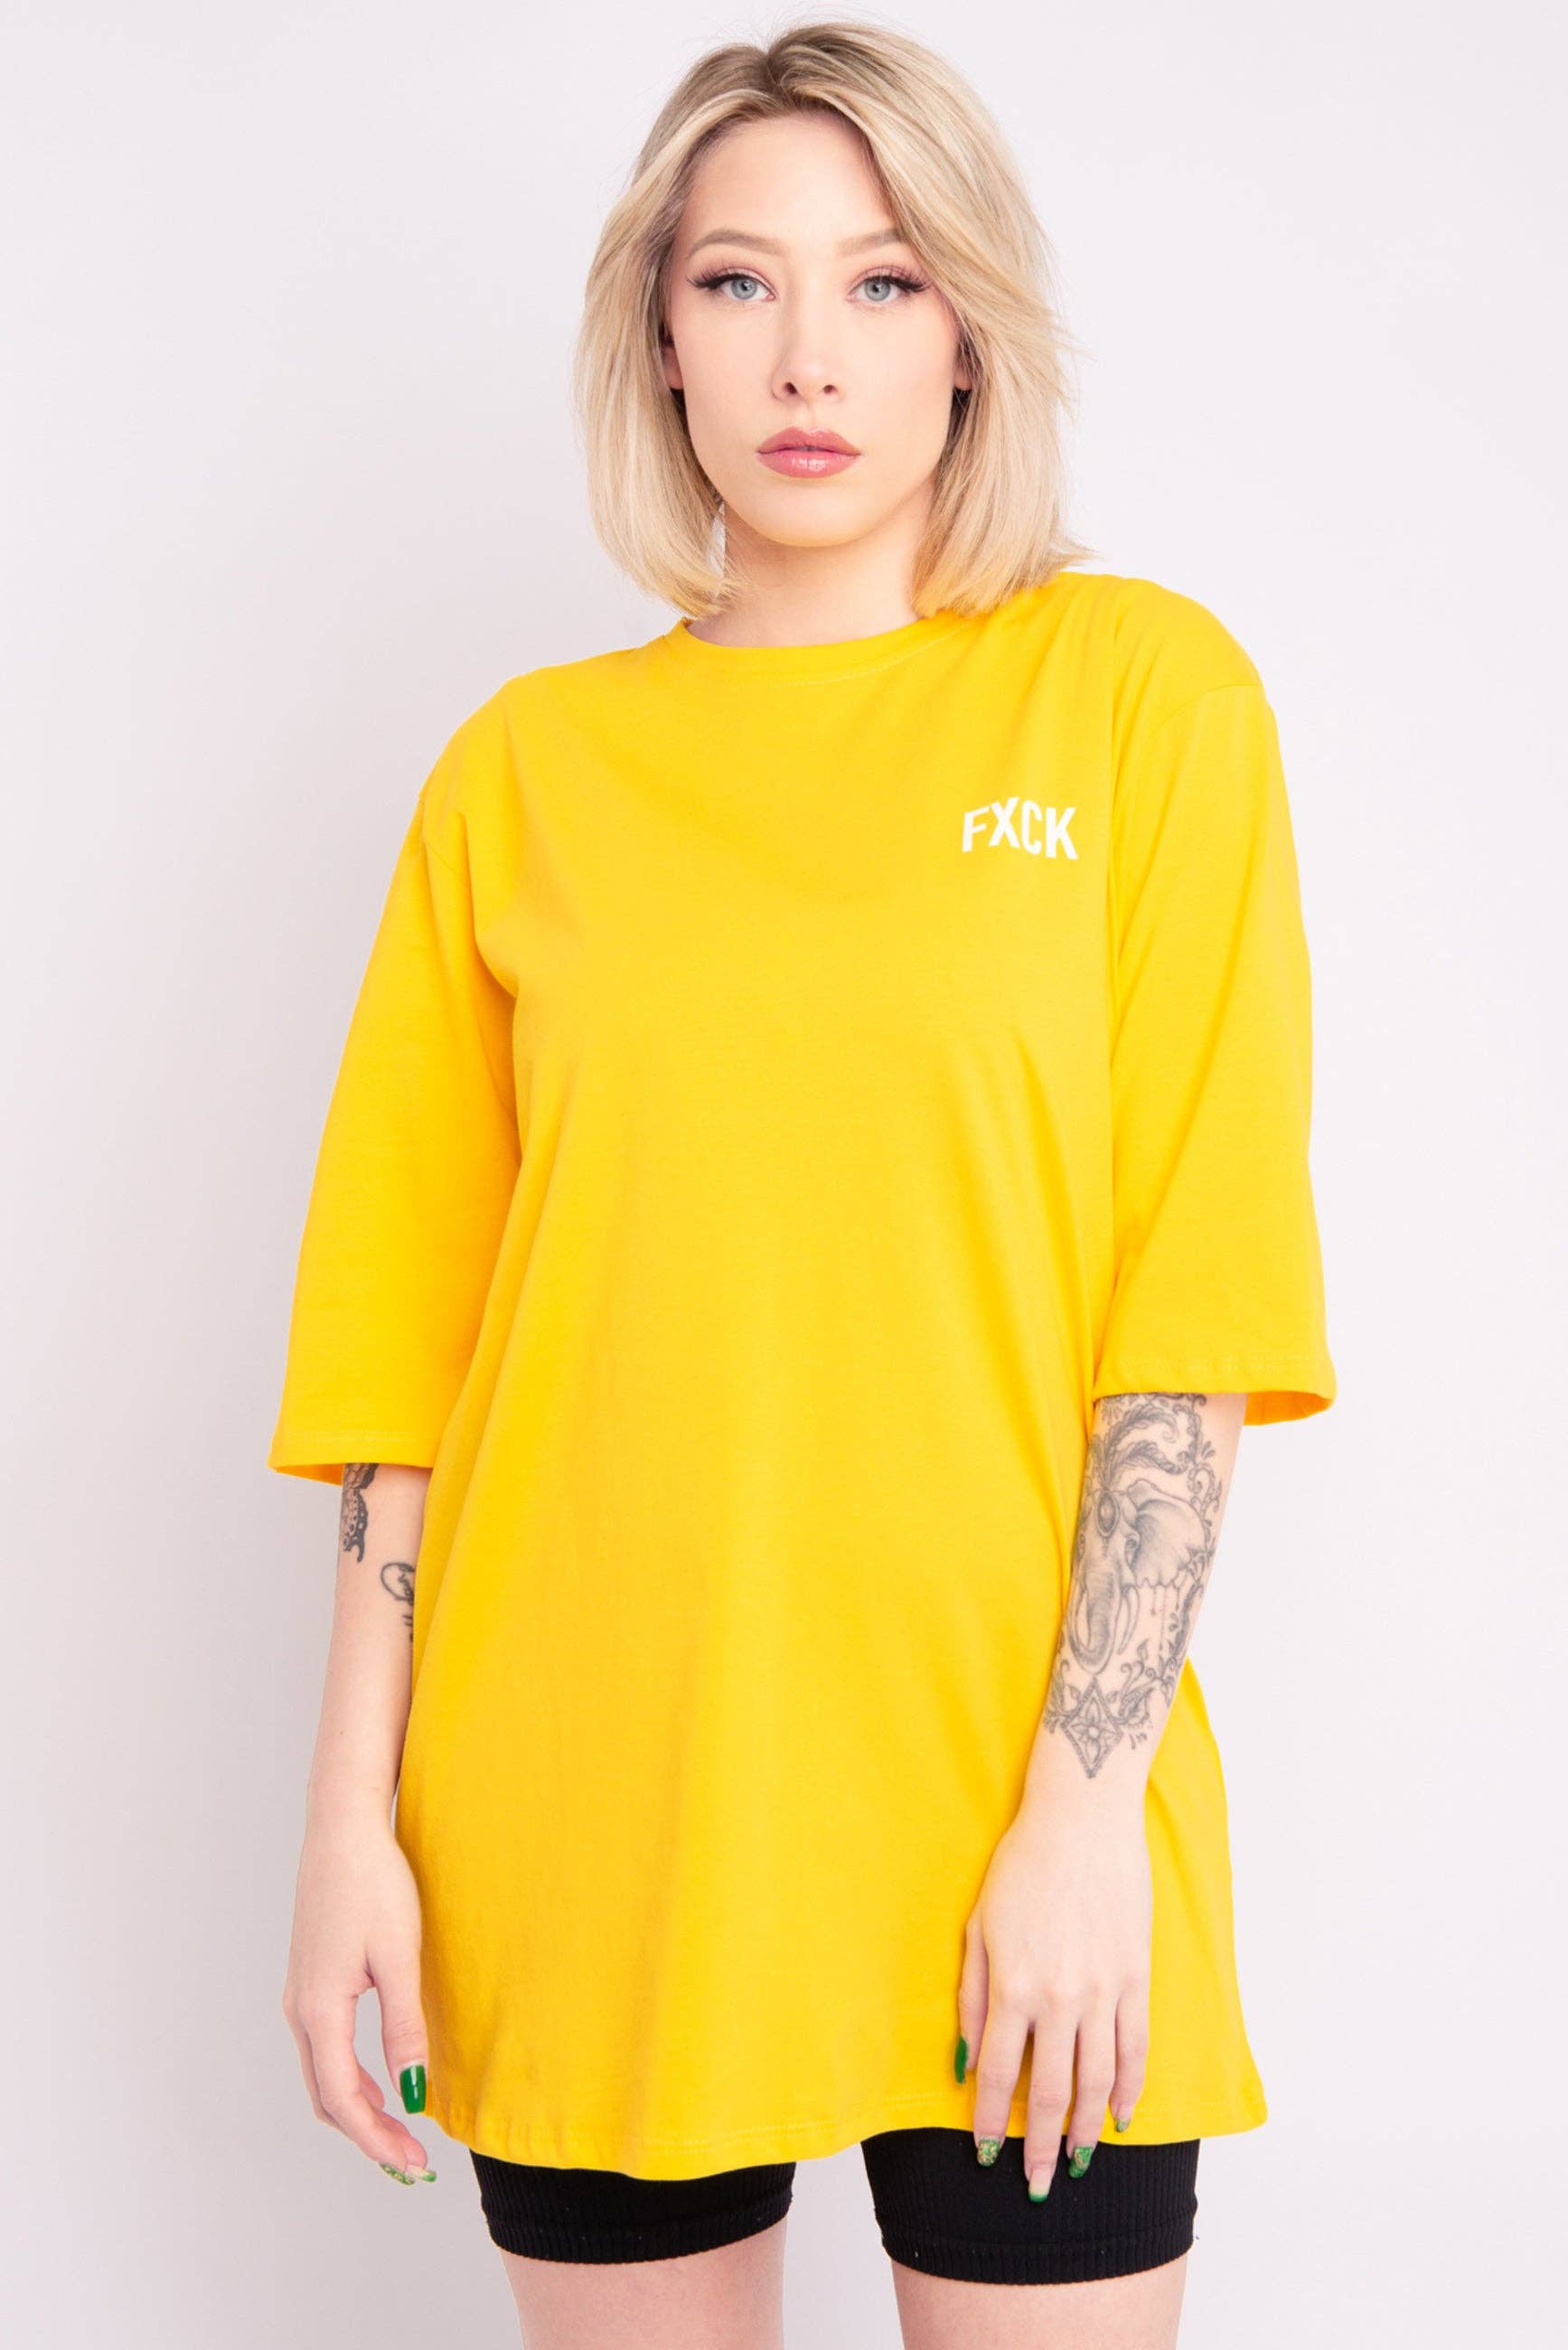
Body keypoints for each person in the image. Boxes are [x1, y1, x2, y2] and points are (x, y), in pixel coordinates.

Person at [273, 22, 1336, 2348]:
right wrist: (350, 1820)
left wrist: (1082, 1815)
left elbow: (1192, 1311)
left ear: (968, 326)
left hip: (1017, 1803)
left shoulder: (1138, 700)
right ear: (659, 335)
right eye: (739, 281)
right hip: (591, 1797)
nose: (809, 357)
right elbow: (401, 1360)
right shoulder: (525, 773)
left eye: (881, 279)